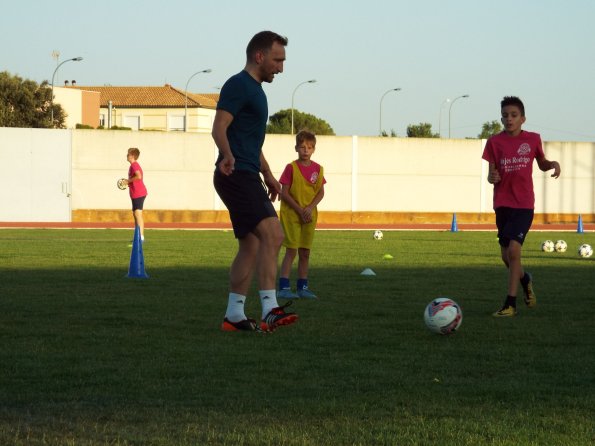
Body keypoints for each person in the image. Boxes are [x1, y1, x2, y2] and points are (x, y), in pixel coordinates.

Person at [212, 30, 298, 332]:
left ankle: (233, 316)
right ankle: (269, 308)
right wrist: (226, 155)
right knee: (273, 235)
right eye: (278, 59)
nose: (281, 67)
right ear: (259, 56)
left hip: (247, 172)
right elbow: (219, 126)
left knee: (250, 245)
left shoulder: (256, 91)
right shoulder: (239, 85)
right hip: (235, 174)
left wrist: (270, 176)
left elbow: (250, 141)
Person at [482, 96, 561, 317]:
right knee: (506, 257)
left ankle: (510, 304)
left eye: (514, 115)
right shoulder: (494, 142)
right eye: (505, 115)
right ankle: (525, 280)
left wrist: (552, 164)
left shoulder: (533, 139)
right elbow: (491, 174)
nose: (509, 119)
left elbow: (542, 162)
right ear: (501, 118)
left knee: (515, 250)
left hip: (524, 204)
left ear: (523, 118)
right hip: (502, 204)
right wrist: (492, 176)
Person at [277, 130, 325, 299]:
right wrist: (299, 210)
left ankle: (302, 287)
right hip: (292, 216)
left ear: (314, 149)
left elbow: (320, 193)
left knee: (305, 252)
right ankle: (283, 288)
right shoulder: (291, 168)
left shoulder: (318, 170)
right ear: (296, 148)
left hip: (309, 217)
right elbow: (284, 193)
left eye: (310, 147)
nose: (306, 150)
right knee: (291, 251)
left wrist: (310, 208)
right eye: (303, 147)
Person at [125, 147, 148, 242]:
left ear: (133, 156)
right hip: (135, 193)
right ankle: (137, 236)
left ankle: (141, 237)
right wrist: (128, 182)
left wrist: (128, 181)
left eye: (128, 154)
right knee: (135, 214)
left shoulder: (134, 165)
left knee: (138, 214)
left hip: (139, 192)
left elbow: (139, 176)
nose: (127, 155)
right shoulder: (132, 166)